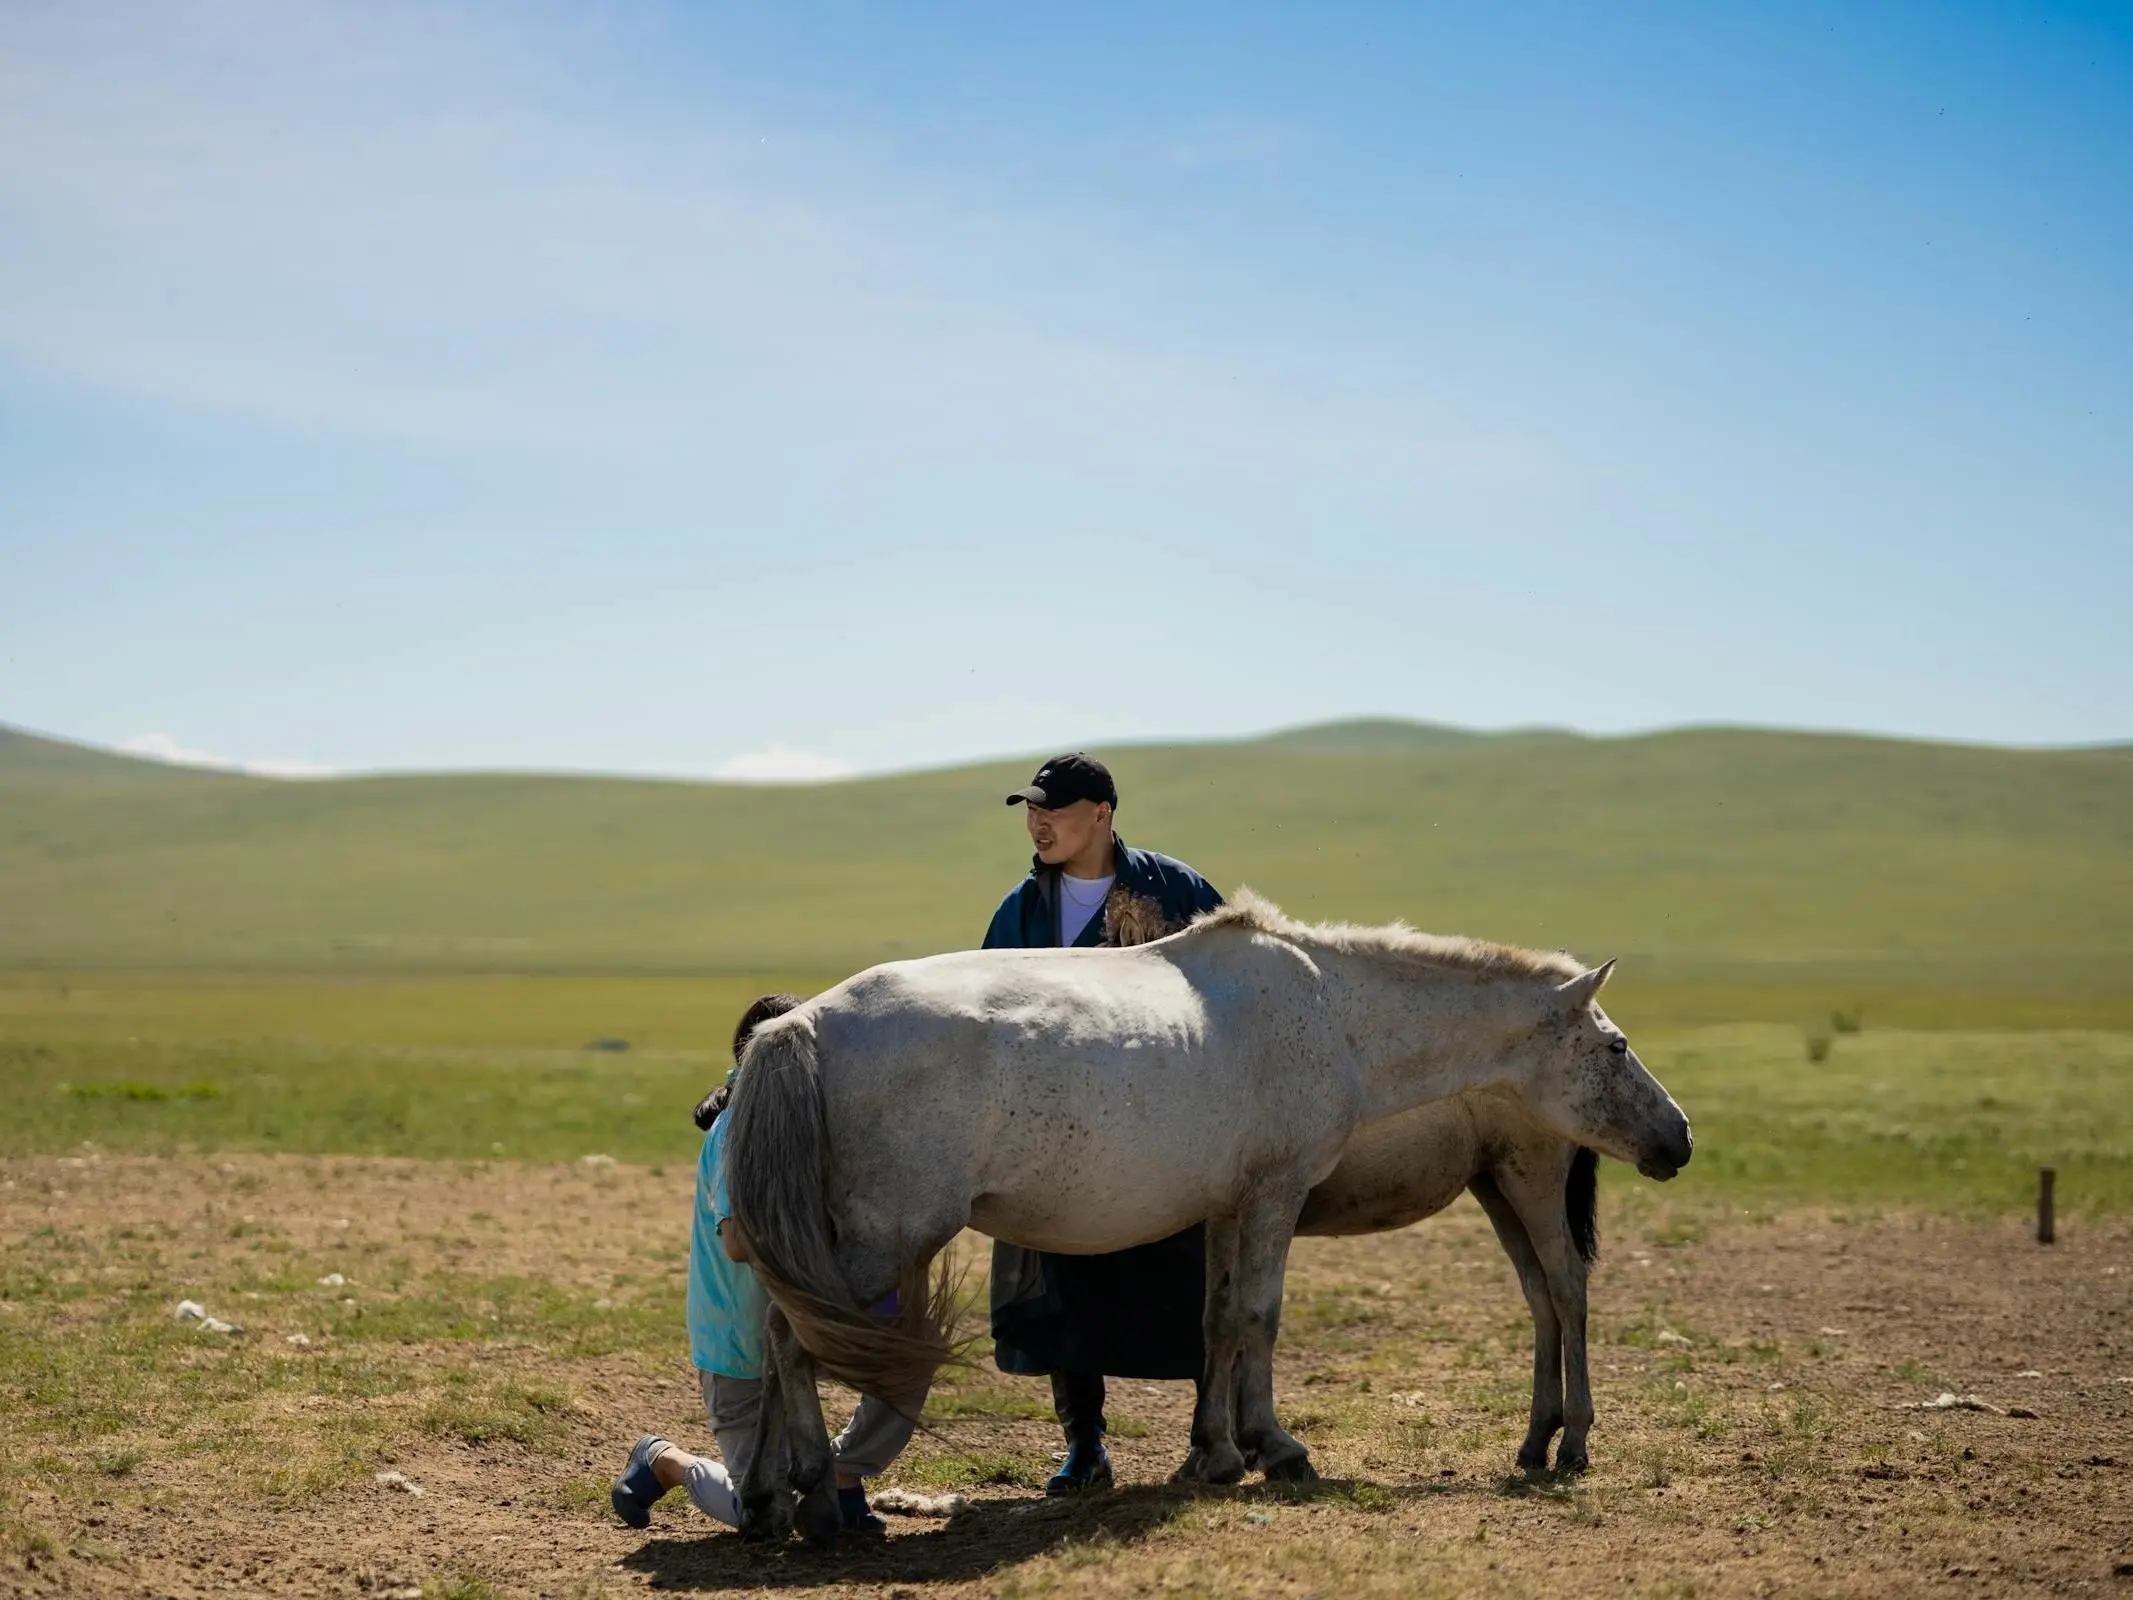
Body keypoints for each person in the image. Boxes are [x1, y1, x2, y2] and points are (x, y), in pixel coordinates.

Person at [982, 753, 1225, 1494]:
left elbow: (1232, 988)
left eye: (1051, 810)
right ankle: (1084, 1448)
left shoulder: (1175, 890)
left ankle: (1209, 1433)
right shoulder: (1021, 906)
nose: (1037, 823)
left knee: (1189, 1277)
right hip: (1058, 1134)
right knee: (1064, 1283)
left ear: (1101, 814)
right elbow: (984, 1003)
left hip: (1161, 1130)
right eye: (1030, 810)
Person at [610, 994, 922, 1537]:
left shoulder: (820, 1127)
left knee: (908, 1361)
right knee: (764, 1513)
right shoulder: (734, 1132)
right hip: (741, 1353)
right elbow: (737, 1242)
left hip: (806, 1329)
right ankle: (667, 1461)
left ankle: (842, 1475)